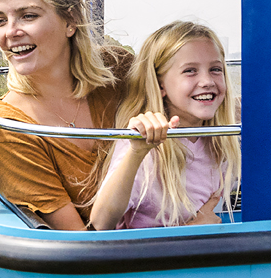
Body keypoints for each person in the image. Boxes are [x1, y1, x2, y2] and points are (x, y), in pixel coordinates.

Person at [0, 0, 130, 230]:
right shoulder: (12, 129)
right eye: (1, 20)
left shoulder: (119, 72)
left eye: (28, 16)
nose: (11, 32)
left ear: (70, 21)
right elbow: (78, 242)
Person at [89, 21, 239, 230]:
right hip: (155, 251)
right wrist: (136, 153)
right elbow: (100, 223)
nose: (207, 81)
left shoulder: (221, 139)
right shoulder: (146, 147)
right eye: (190, 71)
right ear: (160, 85)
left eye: (215, 69)